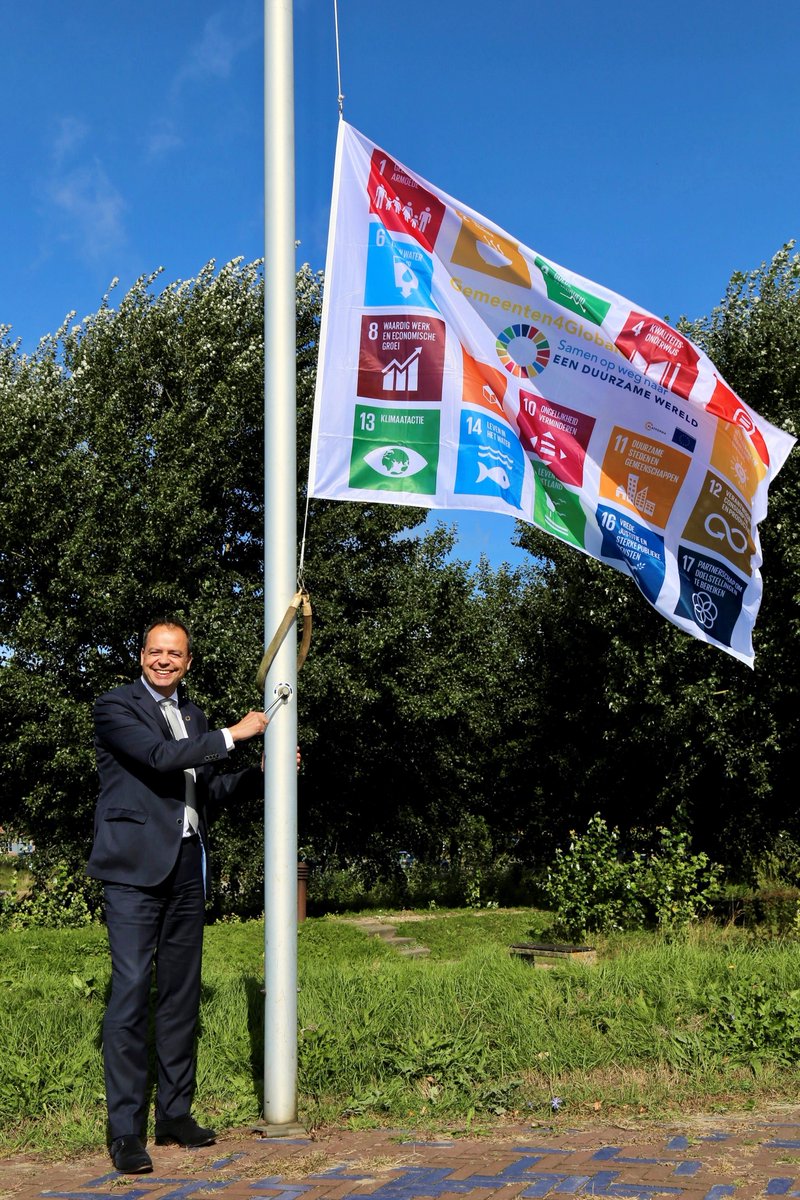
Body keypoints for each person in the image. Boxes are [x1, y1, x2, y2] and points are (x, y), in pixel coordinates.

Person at [87, 618, 269, 1175]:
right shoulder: (116, 707)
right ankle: (125, 1133)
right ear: (141, 656)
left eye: (175, 654)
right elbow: (160, 759)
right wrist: (235, 735)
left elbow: (206, 788)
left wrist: (262, 774)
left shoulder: (193, 716)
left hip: (188, 866)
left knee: (181, 994)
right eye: (156, 651)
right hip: (133, 871)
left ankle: (175, 1115)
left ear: (188, 662)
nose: (164, 660)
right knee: (133, 989)